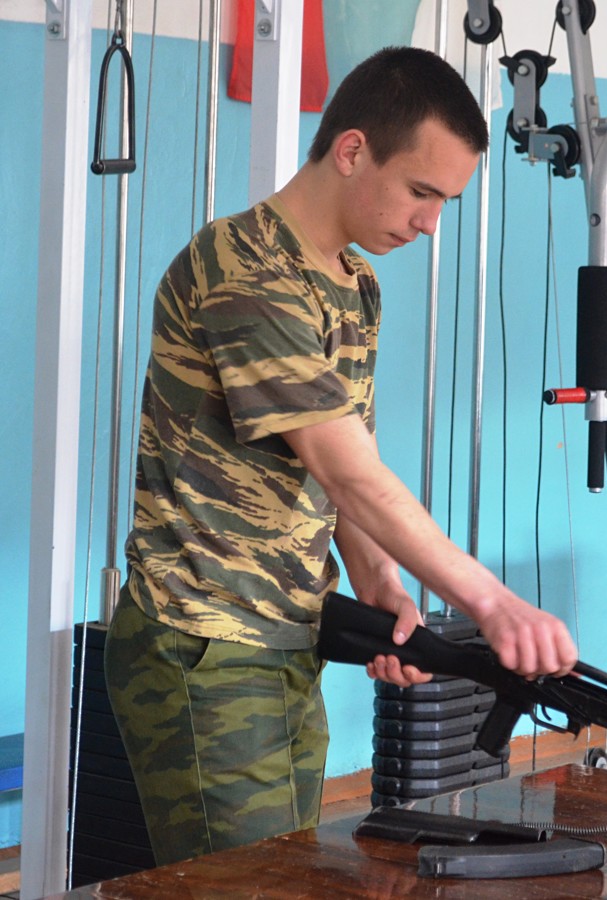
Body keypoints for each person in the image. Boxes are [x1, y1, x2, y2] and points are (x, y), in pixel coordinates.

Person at [104, 45, 577, 867]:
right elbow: (346, 472)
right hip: (205, 643)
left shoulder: (353, 285)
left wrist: (379, 583)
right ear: (353, 150)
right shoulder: (244, 268)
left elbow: (344, 457)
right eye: (421, 191)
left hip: (289, 636)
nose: (430, 223)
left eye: (445, 201)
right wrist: (493, 603)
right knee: (244, 886)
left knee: (292, 875)